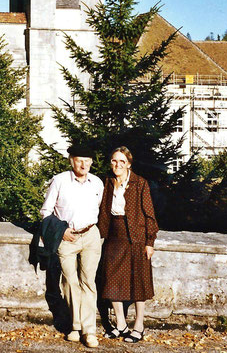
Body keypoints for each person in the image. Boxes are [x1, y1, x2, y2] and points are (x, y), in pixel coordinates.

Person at [40, 145, 104, 348]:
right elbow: (46, 211)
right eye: (79, 160)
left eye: (87, 160)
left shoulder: (97, 183)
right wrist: (61, 231)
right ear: (71, 161)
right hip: (67, 237)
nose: (83, 164)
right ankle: (75, 326)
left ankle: (89, 331)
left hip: (91, 235)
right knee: (69, 281)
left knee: (88, 282)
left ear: (92, 162)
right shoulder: (59, 181)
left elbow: (99, 208)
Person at [97, 146, 159, 343]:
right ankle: (121, 325)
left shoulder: (140, 183)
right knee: (112, 280)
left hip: (136, 237)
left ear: (129, 164)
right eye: (114, 161)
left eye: (122, 162)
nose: (117, 165)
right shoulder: (107, 182)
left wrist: (149, 242)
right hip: (114, 236)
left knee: (138, 282)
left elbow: (149, 215)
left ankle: (139, 325)